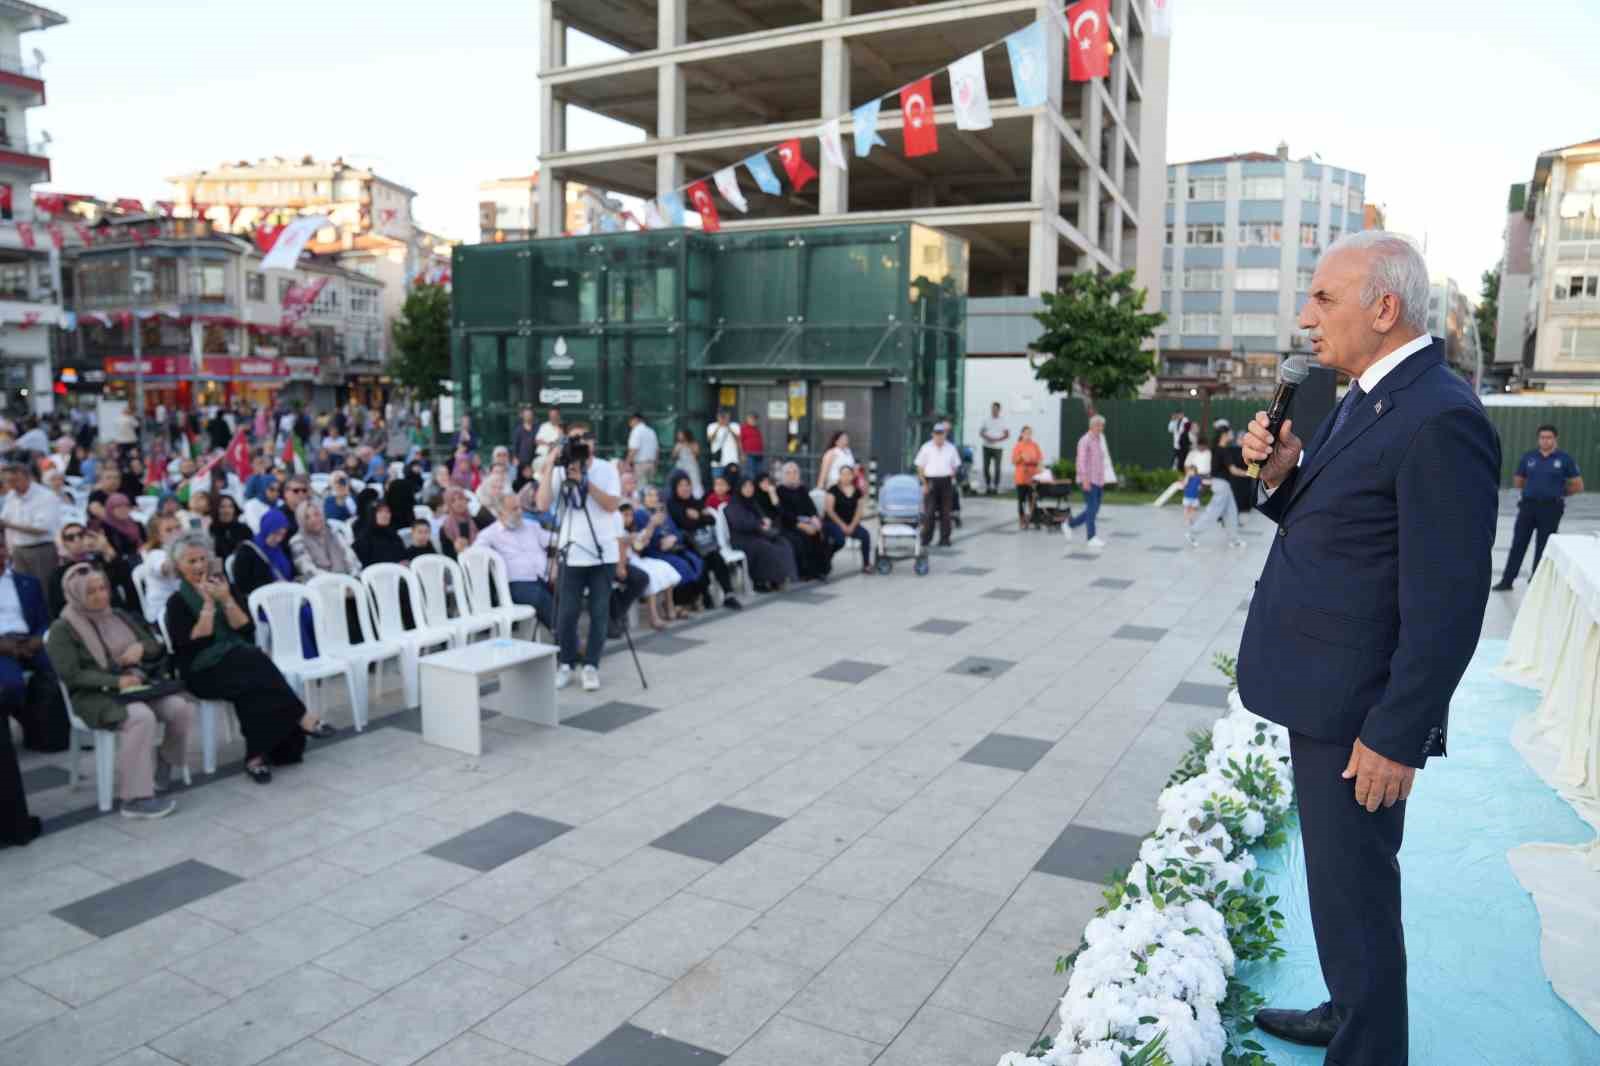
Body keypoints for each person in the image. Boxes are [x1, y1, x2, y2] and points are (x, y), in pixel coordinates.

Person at [1237, 232, 1499, 1065]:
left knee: (1357, 896)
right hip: (1321, 692)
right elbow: (1346, 527)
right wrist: (1282, 473)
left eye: (1322, 299)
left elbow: (1449, 605)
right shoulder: (1367, 393)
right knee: (1337, 891)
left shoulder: (1441, 418)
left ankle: (1369, 1046)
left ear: (1383, 309)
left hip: (1360, 718)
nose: (1305, 318)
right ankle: (1345, 1007)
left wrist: (1397, 733)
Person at [165, 533, 333, 785]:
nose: (199, 566)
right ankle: (302, 717)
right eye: (191, 562)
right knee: (254, 659)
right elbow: (193, 642)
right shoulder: (176, 602)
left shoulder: (223, 586)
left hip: (240, 663)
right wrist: (209, 605)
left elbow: (246, 629)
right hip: (201, 670)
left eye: (202, 559)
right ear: (178, 565)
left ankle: (256, 756)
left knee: (252, 682)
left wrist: (227, 600)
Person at [48, 565, 196, 819]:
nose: (100, 596)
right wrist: (115, 682)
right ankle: (135, 798)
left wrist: (140, 649)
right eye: (91, 592)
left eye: (103, 588)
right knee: (140, 717)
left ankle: (163, 763)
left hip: (136, 687)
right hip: (94, 695)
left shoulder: (118, 615)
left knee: (181, 707)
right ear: (75, 594)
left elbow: (153, 646)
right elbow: (71, 675)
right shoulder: (63, 628)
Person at [534, 423, 621, 692]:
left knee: (598, 612)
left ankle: (591, 665)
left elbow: (612, 505)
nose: (580, 443)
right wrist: (550, 465)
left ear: (593, 443)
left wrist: (585, 481)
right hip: (571, 552)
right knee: (566, 614)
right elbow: (543, 504)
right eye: (574, 439)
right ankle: (566, 663)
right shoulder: (561, 469)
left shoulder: (606, 468)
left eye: (584, 438)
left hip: (602, 552)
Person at [1494, 424, 1584, 590]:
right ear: (1538, 439)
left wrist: (1559, 492)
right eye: (1542, 437)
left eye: (1549, 437)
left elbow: (1577, 485)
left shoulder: (1564, 459)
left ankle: (1536, 582)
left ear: (1555, 439)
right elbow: (1519, 480)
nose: (1545, 441)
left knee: (1544, 546)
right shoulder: (1529, 457)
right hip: (1528, 506)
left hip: (1551, 508)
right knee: (1518, 543)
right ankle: (1507, 581)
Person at [0, 539, 66, 753]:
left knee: (57, 669)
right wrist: (6, 647)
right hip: (1, 646)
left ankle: (49, 733)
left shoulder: (27, 582)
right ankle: (28, 724)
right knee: (11, 685)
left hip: (28, 641)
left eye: (1, 546)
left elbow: (43, 620)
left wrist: (37, 639)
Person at [475, 491, 555, 632]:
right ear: (500, 513)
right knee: (540, 598)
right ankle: (571, 644)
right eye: (514, 509)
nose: (519, 512)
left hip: (545, 576)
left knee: (570, 588)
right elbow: (475, 554)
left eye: (519, 508)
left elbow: (555, 540)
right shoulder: (490, 534)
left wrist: (555, 561)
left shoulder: (531, 526)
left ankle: (569, 639)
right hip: (518, 583)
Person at [667, 471, 742, 610]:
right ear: (675, 488)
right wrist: (700, 518)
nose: (685, 488)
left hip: (703, 544)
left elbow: (711, 519)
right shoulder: (672, 505)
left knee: (717, 558)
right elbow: (684, 524)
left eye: (687, 485)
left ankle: (728, 595)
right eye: (681, 485)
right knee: (702, 561)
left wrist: (698, 518)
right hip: (685, 546)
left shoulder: (694, 501)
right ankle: (705, 595)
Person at [637, 485, 706, 611]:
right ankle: (677, 603)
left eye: (655, 495)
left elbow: (676, 531)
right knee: (681, 565)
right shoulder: (640, 515)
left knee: (695, 560)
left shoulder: (661, 513)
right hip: (654, 552)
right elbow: (642, 539)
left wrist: (673, 538)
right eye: (649, 495)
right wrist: (660, 542)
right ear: (643, 498)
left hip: (672, 549)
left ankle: (690, 600)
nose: (654, 498)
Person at [48, 522, 141, 616]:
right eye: (70, 538)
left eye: (81, 535)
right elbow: (58, 608)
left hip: (112, 613)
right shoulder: (59, 574)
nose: (77, 540)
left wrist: (107, 549)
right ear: (65, 544)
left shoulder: (99, 562)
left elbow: (124, 580)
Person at [724, 477, 798, 591]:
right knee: (765, 548)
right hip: (742, 539)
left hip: (757, 534)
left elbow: (762, 517)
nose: (749, 489)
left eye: (751, 486)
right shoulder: (733, 505)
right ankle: (761, 581)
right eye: (745, 487)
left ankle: (780, 578)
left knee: (782, 542)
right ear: (739, 489)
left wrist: (765, 521)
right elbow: (740, 524)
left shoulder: (753, 502)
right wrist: (759, 524)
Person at [619, 502, 682, 628]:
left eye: (630, 515)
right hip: (626, 563)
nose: (628, 518)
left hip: (636, 559)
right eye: (625, 515)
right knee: (650, 575)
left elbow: (639, 545)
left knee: (664, 567)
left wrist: (645, 534)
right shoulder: (616, 531)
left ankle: (670, 607)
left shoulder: (630, 531)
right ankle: (653, 616)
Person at [2, 457, 62, 581]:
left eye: (15, 481)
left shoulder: (45, 496)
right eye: (8, 481)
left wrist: (10, 525)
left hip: (41, 549)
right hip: (18, 550)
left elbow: (42, 528)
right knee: (24, 590)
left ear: (27, 477)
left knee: (44, 588)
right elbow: (4, 521)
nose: (12, 485)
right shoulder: (11, 497)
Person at [1185, 427, 1245, 549]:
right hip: (1221, 485)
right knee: (1213, 512)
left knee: (1231, 512)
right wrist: (1249, 473)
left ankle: (1234, 540)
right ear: (1224, 435)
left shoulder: (1217, 450)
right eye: (1229, 433)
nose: (1231, 434)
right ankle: (1192, 533)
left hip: (1223, 485)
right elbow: (1233, 470)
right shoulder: (1223, 451)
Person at [776, 462, 832, 580]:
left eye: (795, 472)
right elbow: (784, 513)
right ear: (783, 475)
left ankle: (821, 570)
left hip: (806, 521)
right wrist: (802, 525)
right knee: (802, 538)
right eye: (788, 473)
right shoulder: (780, 491)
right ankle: (805, 572)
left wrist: (814, 518)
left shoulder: (801, 489)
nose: (792, 475)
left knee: (823, 532)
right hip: (789, 524)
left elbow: (810, 507)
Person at [231, 508, 296, 604]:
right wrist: (273, 587)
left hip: (287, 596)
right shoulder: (247, 551)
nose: (278, 539)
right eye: (275, 533)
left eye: (282, 534)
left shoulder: (282, 547)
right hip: (263, 602)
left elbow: (293, 573)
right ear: (266, 528)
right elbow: (242, 586)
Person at [914, 422, 961, 549]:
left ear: (945, 435)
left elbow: (956, 465)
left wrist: (953, 474)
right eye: (937, 434)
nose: (939, 437)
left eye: (941, 434)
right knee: (929, 512)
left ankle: (945, 539)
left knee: (946, 512)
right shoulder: (926, 447)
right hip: (931, 481)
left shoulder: (951, 448)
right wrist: (924, 484)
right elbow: (920, 467)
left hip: (946, 481)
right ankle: (926, 538)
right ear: (933, 434)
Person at [1065, 415, 1108, 549]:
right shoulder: (1085, 440)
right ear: (1092, 426)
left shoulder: (1099, 440)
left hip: (1098, 480)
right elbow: (1081, 461)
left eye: (1102, 426)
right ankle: (1091, 537)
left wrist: (1102, 479)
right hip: (1088, 480)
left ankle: (1069, 524)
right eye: (1099, 425)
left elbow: (1100, 461)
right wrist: (1084, 480)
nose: (1101, 428)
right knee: (1092, 508)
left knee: (1094, 509)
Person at [290, 502, 361, 580]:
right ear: (301, 520)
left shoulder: (333, 532)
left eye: (316, 514)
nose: (314, 519)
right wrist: (336, 580)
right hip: (321, 585)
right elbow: (307, 569)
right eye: (307, 517)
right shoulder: (297, 541)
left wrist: (354, 575)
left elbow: (350, 556)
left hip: (347, 580)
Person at [823, 464, 873, 574]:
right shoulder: (833, 490)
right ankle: (825, 559)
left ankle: (866, 564)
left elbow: (859, 512)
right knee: (840, 540)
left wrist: (851, 526)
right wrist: (843, 526)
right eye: (843, 474)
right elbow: (830, 510)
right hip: (834, 523)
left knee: (865, 535)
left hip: (851, 524)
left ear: (852, 476)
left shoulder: (857, 492)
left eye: (848, 474)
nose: (846, 476)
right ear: (839, 476)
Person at [139, 515, 186, 625]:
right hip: (162, 613)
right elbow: (167, 568)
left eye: (178, 527)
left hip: (182, 604)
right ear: (158, 537)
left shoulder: (184, 548)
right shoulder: (154, 555)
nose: (176, 533)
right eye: (169, 530)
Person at [353, 502, 409, 567]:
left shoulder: (394, 536)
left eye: (387, 512)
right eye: (380, 512)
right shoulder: (365, 539)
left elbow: (404, 557)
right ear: (373, 515)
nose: (385, 515)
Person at [95, 493, 146, 559]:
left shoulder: (137, 524)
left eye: (126, 506)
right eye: (118, 507)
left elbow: (147, 542)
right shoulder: (105, 528)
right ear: (110, 509)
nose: (123, 510)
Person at [1011, 425, 1043, 530]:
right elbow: (1014, 461)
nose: (1028, 435)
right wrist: (1021, 456)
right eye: (1026, 433)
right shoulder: (1018, 446)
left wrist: (1040, 471)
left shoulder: (1035, 445)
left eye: (1030, 433)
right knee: (1021, 500)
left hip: (1032, 476)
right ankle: (1022, 519)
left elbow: (1040, 459)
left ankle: (1035, 519)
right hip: (1021, 476)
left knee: (1032, 499)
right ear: (1022, 434)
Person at [979, 401, 1010, 495]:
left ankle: (996, 486)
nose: (994, 410)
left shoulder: (1003, 420)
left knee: (997, 468)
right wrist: (988, 438)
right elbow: (981, 432)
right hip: (986, 446)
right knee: (986, 467)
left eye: (996, 409)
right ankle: (988, 485)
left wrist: (997, 439)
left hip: (998, 447)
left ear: (999, 410)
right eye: (992, 409)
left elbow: (1007, 434)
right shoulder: (986, 419)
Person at [438, 487, 477, 559]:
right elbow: (447, 556)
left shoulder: (477, 521)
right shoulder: (445, 528)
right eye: (453, 501)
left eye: (461, 498)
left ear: (466, 500)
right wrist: (456, 549)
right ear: (449, 504)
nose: (458, 503)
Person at [210, 495, 251, 560]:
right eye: (222, 507)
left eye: (230, 506)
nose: (227, 510)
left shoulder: (244, 529)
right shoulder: (211, 529)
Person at [706, 409, 742, 482]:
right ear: (717, 417)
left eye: (725, 416)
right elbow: (710, 440)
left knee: (732, 482)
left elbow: (738, 439)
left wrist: (728, 426)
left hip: (732, 460)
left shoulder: (735, 426)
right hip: (717, 461)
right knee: (717, 482)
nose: (723, 418)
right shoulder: (712, 426)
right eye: (721, 416)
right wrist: (719, 426)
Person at [626, 412, 660, 487]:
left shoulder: (636, 431)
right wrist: (656, 464)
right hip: (651, 464)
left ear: (635, 420)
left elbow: (634, 449)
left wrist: (627, 463)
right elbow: (657, 450)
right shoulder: (651, 431)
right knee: (650, 489)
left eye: (630, 421)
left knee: (640, 488)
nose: (629, 424)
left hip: (640, 465)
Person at [671, 429, 703, 497]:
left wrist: (689, 446)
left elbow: (697, 454)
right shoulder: (678, 444)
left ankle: (696, 496)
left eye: (681, 435)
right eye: (679, 435)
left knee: (694, 481)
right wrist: (677, 450)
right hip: (681, 466)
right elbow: (673, 456)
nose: (679, 436)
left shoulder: (694, 443)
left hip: (692, 466)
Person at [740, 413, 765, 480]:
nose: (754, 420)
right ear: (747, 419)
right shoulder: (743, 429)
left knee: (759, 474)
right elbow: (740, 442)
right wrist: (742, 454)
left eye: (755, 419)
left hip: (759, 455)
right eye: (752, 418)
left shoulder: (757, 429)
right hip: (749, 455)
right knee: (750, 474)